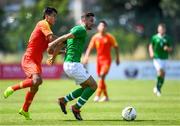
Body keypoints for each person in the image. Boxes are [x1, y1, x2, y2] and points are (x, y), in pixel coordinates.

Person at [3, 7, 58, 120]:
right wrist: (64, 40)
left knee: (35, 87)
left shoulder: (47, 30)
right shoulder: (43, 23)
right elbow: (53, 40)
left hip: (36, 60)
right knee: (37, 80)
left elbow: (50, 49)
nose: (55, 18)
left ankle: (24, 110)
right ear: (47, 16)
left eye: (55, 16)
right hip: (29, 58)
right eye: (53, 16)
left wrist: (62, 50)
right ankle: (12, 88)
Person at [47, 12, 97, 120]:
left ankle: (64, 100)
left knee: (86, 87)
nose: (93, 23)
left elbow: (62, 43)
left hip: (69, 65)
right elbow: (63, 38)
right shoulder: (80, 30)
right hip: (73, 64)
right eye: (91, 21)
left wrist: (54, 57)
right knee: (93, 86)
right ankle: (76, 107)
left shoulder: (74, 29)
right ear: (84, 20)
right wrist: (52, 44)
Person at [83, 20, 120, 102]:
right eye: (101, 26)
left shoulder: (109, 37)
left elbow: (116, 47)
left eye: (104, 26)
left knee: (102, 76)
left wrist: (117, 58)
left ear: (106, 28)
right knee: (101, 78)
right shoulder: (95, 37)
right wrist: (86, 57)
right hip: (98, 60)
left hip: (107, 60)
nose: (102, 27)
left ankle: (98, 95)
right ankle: (106, 96)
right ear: (98, 28)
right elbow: (89, 48)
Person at [148, 23, 172, 96]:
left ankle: (158, 86)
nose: (161, 30)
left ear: (164, 30)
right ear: (158, 29)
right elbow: (150, 46)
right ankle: (158, 89)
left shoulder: (167, 38)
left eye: (162, 29)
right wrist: (151, 53)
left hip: (165, 58)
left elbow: (171, 48)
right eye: (159, 29)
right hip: (157, 58)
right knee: (160, 71)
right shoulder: (154, 37)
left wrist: (167, 48)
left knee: (163, 75)